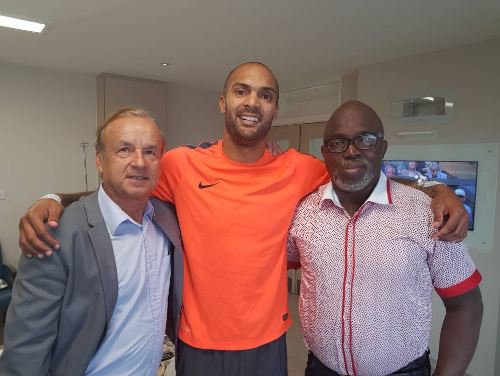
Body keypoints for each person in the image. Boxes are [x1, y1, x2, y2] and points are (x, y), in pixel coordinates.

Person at [17, 63, 469, 376]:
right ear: (223, 102)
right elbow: (118, 187)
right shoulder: (178, 165)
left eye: (265, 94)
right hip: (198, 343)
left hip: (269, 343)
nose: (253, 101)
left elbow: (363, 178)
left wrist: (435, 191)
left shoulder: (303, 170)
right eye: (242, 90)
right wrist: (52, 197)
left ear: (276, 108)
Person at [287, 100, 483, 376]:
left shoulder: (426, 214)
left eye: (365, 140)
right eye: (338, 142)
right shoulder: (303, 212)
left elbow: (466, 305)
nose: (351, 151)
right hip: (321, 368)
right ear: (324, 152)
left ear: (383, 147)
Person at [0, 109, 182, 376]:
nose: (140, 162)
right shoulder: (54, 233)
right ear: (99, 160)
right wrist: (52, 198)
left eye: (150, 152)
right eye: (124, 150)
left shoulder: (166, 218)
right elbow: (26, 347)